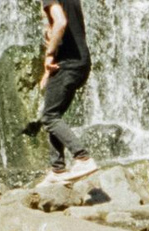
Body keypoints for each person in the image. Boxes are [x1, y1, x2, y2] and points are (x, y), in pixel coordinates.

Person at [37, 0, 97, 186]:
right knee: (54, 113)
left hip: (68, 64)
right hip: (80, 62)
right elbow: (69, 28)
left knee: (49, 117)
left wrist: (49, 54)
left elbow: (61, 22)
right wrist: (48, 72)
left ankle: (82, 158)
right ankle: (57, 169)